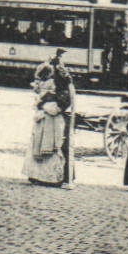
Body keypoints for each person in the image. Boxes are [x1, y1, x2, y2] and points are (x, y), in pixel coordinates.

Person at [23, 74, 67, 185]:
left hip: (49, 122)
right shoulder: (47, 97)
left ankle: (47, 177)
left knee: (47, 148)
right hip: (46, 121)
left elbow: (56, 107)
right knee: (43, 147)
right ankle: (40, 176)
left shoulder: (49, 98)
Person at [50, 51, 76, 185]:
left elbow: (61, 105)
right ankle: (64, 175)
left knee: (60, 146)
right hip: (61, 118)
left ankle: (64, 176)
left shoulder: (63, 91)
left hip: (61, 120)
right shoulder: (66, 88)